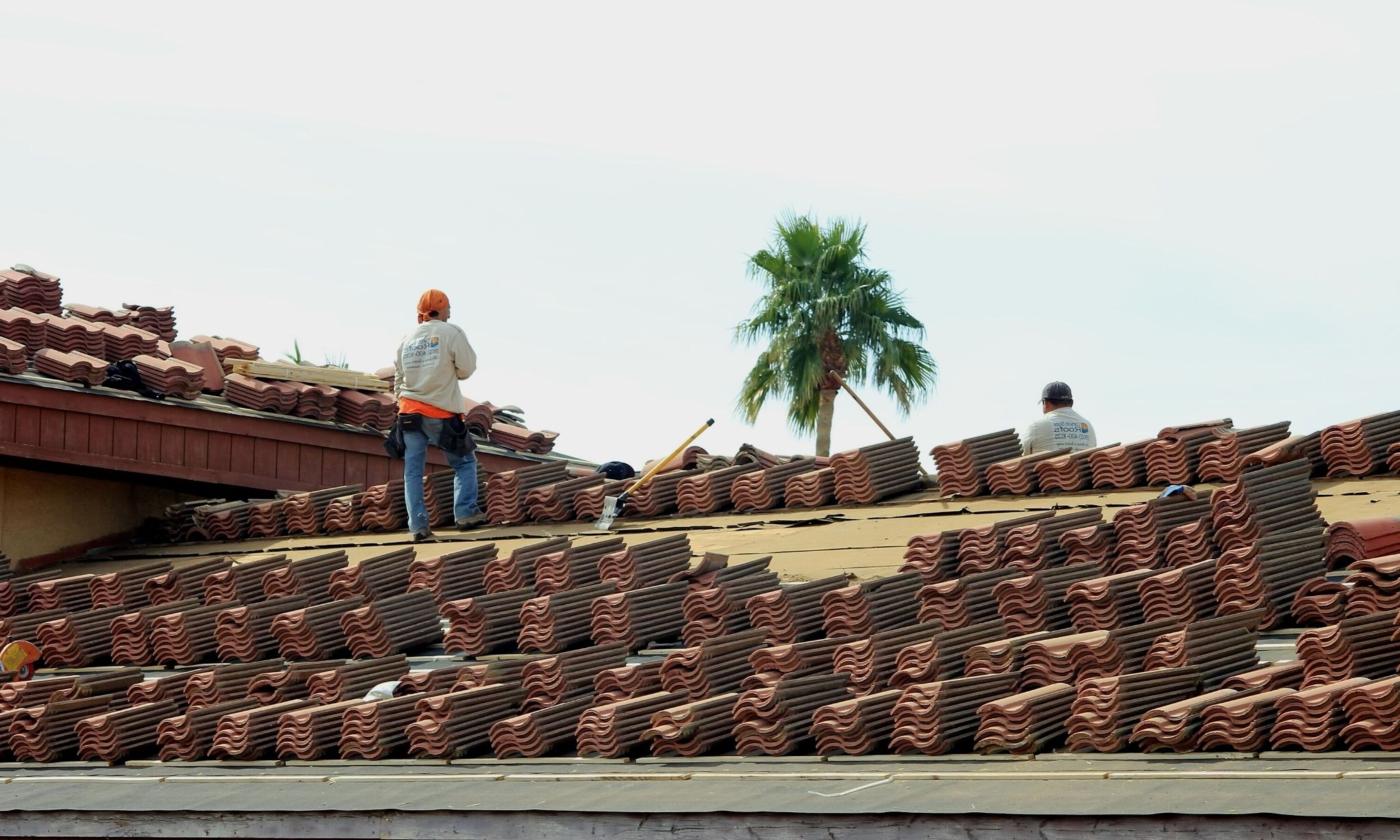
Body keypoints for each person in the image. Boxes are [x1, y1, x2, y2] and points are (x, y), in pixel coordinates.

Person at [394, 289, 483, 541]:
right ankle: (465, 513)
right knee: (464, 462)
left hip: (409, 413)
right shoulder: (450, 332)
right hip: (441, 412)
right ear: (443, 310)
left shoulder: (406, 338)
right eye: (449, 309)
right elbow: (466, 369)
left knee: (412, 472)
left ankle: (418, 526)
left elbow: (398, 379)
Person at [1023, 381, 1097, 455]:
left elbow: (1023, 458)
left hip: (1046, 466)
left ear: (1046, 403)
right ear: (1072, 403)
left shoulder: (1036, 427)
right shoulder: (1088, 426)